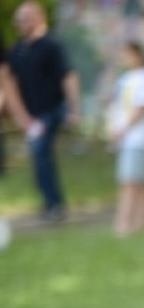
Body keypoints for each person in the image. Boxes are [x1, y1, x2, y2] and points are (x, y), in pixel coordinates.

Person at [2, 1, 78, 222]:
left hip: (52, 110)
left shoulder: (51, 45)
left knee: (41, 153)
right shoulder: (16, 51)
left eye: (25, 18)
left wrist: (74, 108)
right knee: (39, 157)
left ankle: (55, 205)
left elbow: (69, 77)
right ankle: (50, 203)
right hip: (31, 116)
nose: (21, 23)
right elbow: (8, 83)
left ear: (38, 18)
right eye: (19, 19)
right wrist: (20, 116)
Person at [106, 41, 144, 238]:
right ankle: (140, 223)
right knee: (137, 182)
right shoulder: (125, 78)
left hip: (137, 138)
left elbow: (141, 108)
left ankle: (124, 224)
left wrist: (122, 129)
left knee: (130, 182)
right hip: (127, 138)